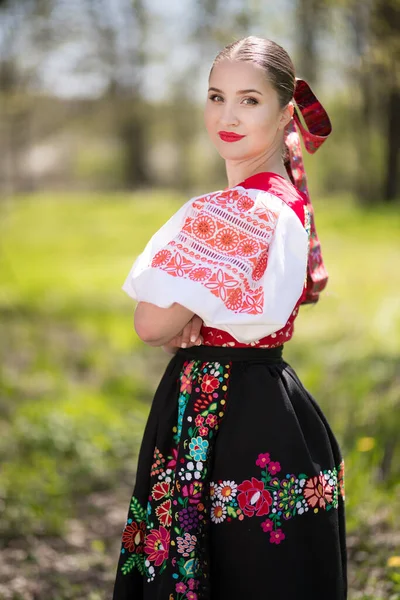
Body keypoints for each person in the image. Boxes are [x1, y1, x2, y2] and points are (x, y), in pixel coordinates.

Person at [112, 36, 347, 600]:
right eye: (217, 96)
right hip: (276, 401)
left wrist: (184, 321)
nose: (227, 115)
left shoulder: (231, 211)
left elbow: (150, 323)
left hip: (216, 409)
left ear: (285, 113)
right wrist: (194, 315)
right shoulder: (287, 200)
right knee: (268, 569)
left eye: (250, 100)